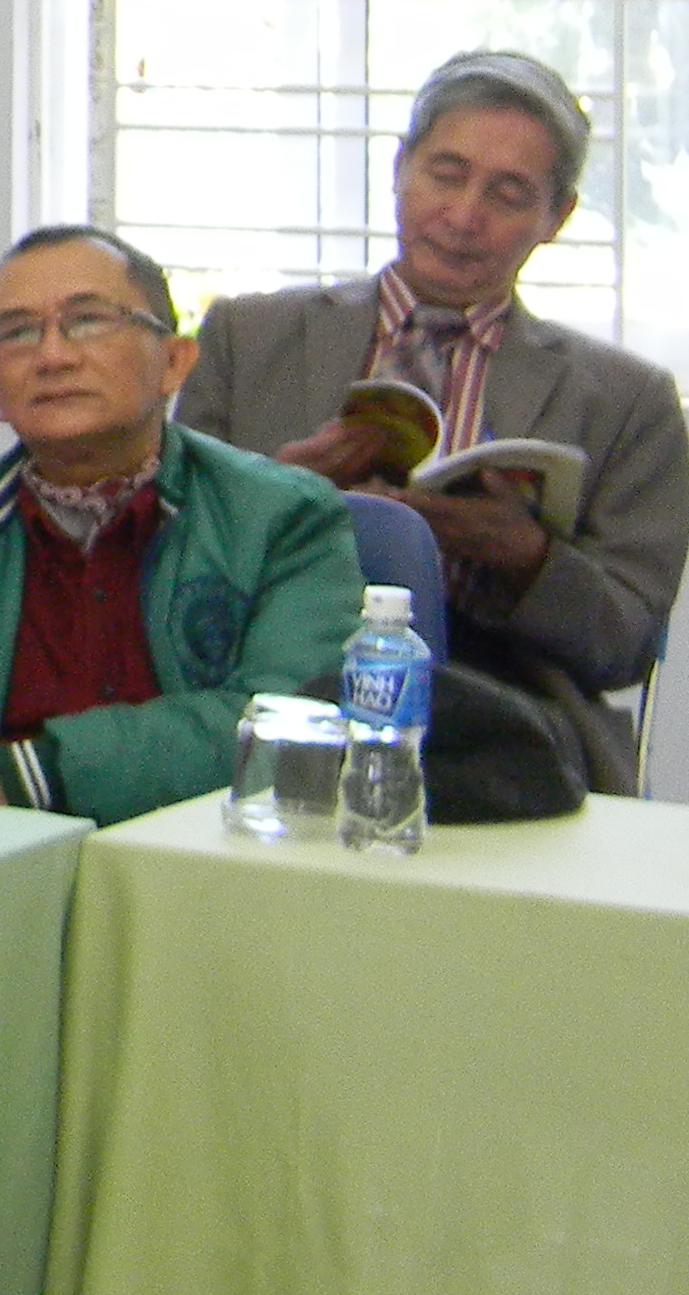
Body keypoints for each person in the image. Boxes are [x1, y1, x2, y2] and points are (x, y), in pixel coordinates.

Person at [173, 50, 685, 792]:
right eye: (446, 174)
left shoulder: (626, 400)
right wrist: (278, 490)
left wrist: (525, 558)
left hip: (506, 728)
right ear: (400, 169)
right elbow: (161, 567)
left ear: (556, 217)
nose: (465, 216)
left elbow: (625, 643)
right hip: (268, 695)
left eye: (508, 194)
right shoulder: (247, 339)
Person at [0, 225, 360, 823]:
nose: (53, 356)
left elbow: (290, 726)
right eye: (18, 333)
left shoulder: (283, 517)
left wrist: (31, 778)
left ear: (174, 361)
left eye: (88, 321)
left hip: (202, 857)